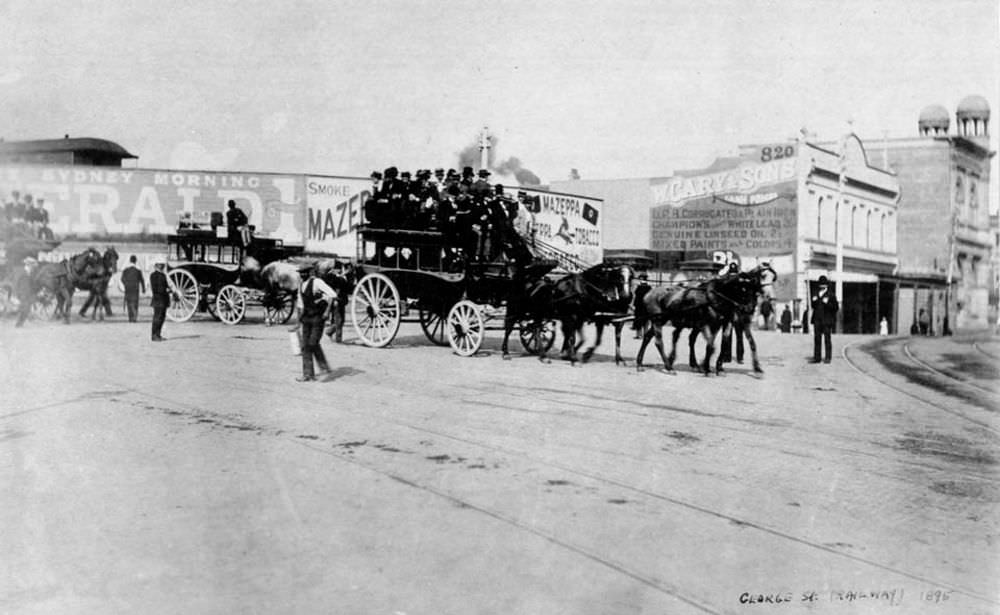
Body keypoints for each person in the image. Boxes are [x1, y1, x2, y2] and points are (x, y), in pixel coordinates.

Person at [291, 263, 337, 382]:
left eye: (305, 272)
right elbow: (300, 305)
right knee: (306, 346)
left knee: (312, 343)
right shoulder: (301, 286)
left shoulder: (317, 282)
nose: (302, 275)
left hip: (318, 318)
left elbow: (333, 295)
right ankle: (308, 374)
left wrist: (327, 311)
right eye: (301, 273)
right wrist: (298, 322)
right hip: (306, 318)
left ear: (310, 273)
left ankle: (323, 366)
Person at [810, 275, 839, 364]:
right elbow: (813, 306)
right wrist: (814, 301)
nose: (822, 286)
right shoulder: (815, 293)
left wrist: (827, 303)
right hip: (817, 320)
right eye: (821, 285)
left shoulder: (831, 295)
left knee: (827, 339)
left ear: (826, 285)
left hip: (827, 320)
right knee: (817, 339)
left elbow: (836, 308)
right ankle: (817, 357)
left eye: (824, 285)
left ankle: (827, 357)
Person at [120, 255, 146, 322]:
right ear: (135, 261)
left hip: (128, 288)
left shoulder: (126, 270)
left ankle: (130, 318)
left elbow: (122, 279)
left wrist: (126, 284)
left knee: (129, 303)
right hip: (135, 288)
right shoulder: (138, 270)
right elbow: (142, 280)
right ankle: (134, 317)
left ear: (130, 261)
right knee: (135, 303)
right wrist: (143, 289)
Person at [14, 256, 37, 328]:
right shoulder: (21, 272)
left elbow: (32, 285)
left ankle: (21, 323)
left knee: (27, 309)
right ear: (28, 265)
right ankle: (18, 324)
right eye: (32, 265)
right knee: (23, 308)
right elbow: (16, 284)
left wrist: (35, 292)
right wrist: (16, 296)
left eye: (33, 266)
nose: (33, 267)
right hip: (22, 294)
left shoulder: (31, 273)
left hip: (29, 294)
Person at [150, 260, 170, 341]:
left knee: (158, 317)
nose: (163, 266)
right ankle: (155, 335)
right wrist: (167, 290)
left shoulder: (153, 275)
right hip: (161, 299)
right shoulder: (162, 276)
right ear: (159, 265)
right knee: (159, 318)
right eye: (162, 265)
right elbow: (161, 288)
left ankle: (156, 335)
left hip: (157, 299)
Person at [632, 272, 652, 339]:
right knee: (645, 321)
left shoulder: (640, 287)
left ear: (642, 278)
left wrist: (634, 305)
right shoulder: (649, 287)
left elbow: (636, 296)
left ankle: (639, 335)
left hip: (639, 306)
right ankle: (645, 334)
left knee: (639, 320)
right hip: (645, 306)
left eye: (640, 278)